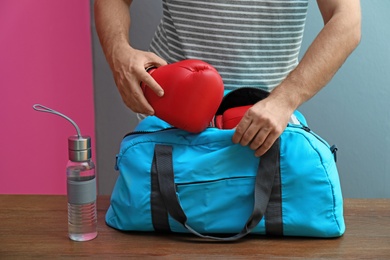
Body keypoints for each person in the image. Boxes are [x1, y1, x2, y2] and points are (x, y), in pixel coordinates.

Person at [94, 0, 361, 157]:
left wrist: (284, 100)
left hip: (264, 123)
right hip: (169, 118)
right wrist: (119, 53)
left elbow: (346, 21)